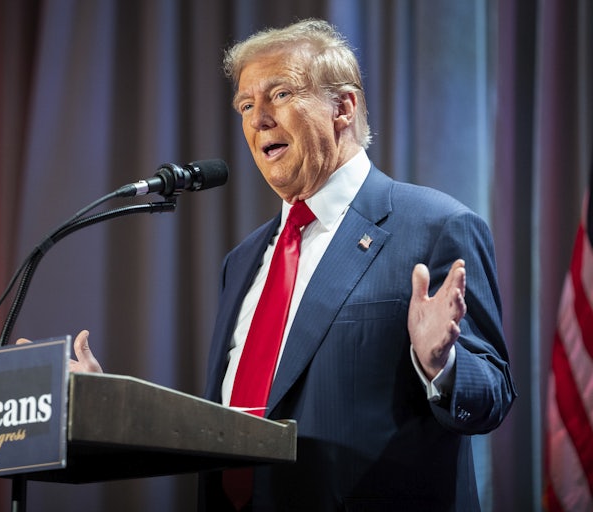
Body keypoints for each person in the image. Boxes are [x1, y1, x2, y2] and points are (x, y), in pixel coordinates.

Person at [61, 18, 516, 512]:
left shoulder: (436, 226)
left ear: (343, 107)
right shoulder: (242, 262)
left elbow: (492, 393)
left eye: (279, 94)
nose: (258, 120)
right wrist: (107, 403)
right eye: (246, 105)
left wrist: (441, 365)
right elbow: (229, 423)